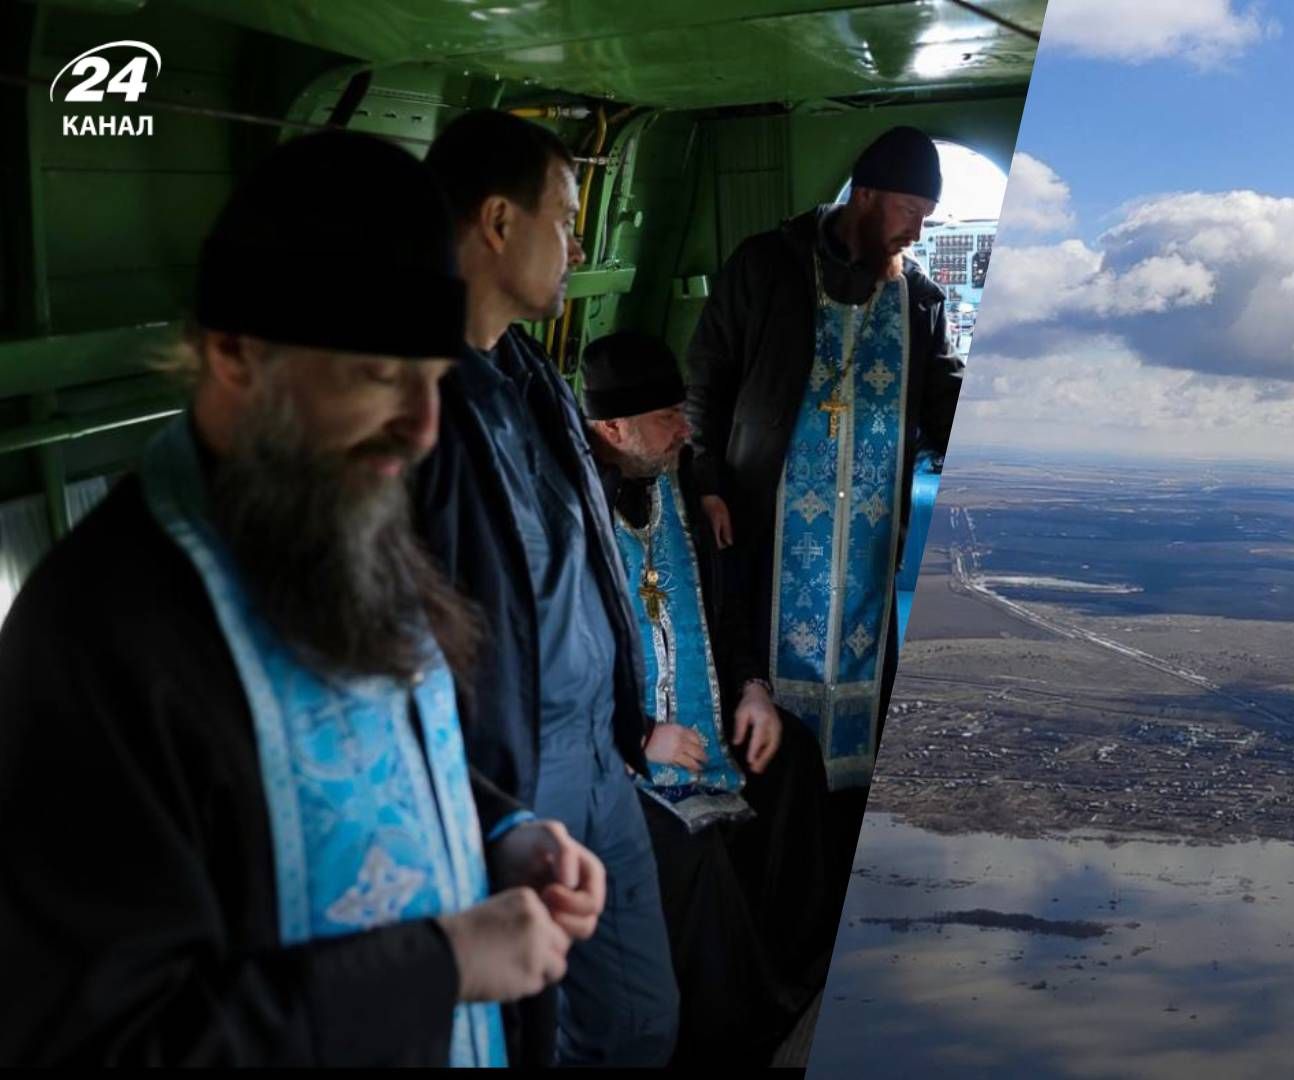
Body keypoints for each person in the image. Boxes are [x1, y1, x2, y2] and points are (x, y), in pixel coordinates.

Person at [0, 131, 604, 1067]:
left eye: (436, 377)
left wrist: (502, 834)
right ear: (238, 354)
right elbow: (108, 1044)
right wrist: (440, 966)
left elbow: (385, 752)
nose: (423, 429)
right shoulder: (96, 634)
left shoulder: (337, 507)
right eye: (379, 376)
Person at [415, 109, 677, 1066]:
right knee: (533, 1034)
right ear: (495, 222)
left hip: (601, 747)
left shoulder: (532, 373)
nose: (575, 248)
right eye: (564, 221)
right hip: (519, 766)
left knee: (643, 1019)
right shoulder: (421, 402)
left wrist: (631, 717)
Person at [683, 125, 965, 880]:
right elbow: (706, 378)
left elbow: (942, 400)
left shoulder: (918, 300)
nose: (916, 230)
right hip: (769, 530)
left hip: (867, 553)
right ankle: (768, 847)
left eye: (928, 216)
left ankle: (843, 855)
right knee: (760, 672)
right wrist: (706, 479)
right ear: (864, 196)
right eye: (908, 210)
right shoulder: (766, 267)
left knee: (868, 698)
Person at [580, 331, 843, 1061]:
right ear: (611, 429)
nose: (685, 429)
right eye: (668, 416)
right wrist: (634, 738)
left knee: (791, 756)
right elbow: (560, 660)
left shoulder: (682, 481)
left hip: (702, 714)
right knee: (688, 850)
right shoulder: (569, 514)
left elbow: (724, 610)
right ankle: (731, 1036)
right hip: (611, 747)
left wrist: (754, 689)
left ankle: (795, 967)